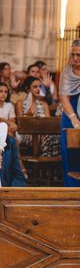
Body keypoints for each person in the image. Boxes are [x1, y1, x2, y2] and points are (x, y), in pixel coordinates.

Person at [59, 39, 80, 186]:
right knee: (71, 154)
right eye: (73, 55)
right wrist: (74, 119)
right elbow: (63, 98)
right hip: (70, 114)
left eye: (78, 55)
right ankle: (72, 188)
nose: (75, 58)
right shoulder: (66, 74)